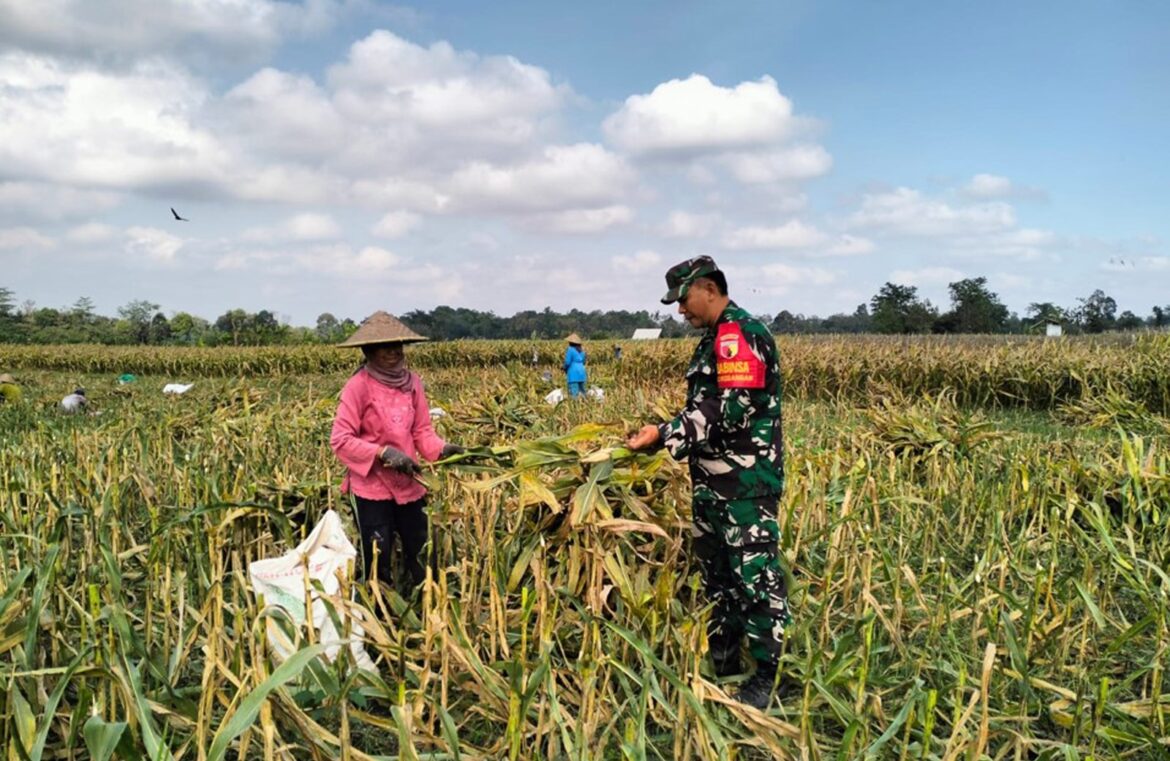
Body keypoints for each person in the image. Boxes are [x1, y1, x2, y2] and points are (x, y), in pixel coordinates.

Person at [626, 255, 791, 709]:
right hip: (713, 484)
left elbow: (730, 409)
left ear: (708, 288)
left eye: (683, 299)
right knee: (718, 575)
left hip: (745, 485)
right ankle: (724, 658)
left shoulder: (739, 335)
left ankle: (770, 676)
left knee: (754, 578)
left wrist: (664, 434)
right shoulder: (712, 340)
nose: (680, 310)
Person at [330, 311, 465, 592]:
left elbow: (422, 432)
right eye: (384, 346)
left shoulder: (412, 382)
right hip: (371, 488)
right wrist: (383, 454)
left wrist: (444, 450)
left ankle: (427, 605)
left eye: (397, 345)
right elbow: (340, 439)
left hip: (408, 483)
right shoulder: (358, 387)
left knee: (421, 550)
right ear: (368, 351)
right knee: (377, 554)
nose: (393, 351)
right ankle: (379, 614)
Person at [563, 333, 587, 397]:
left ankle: (574, 405)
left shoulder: (570, 350)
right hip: (582, 371)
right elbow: (584, 362)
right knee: (583, 391)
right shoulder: (582, 351)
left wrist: (564, 368)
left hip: (573, 372)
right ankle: (585, 404)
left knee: (574, 391)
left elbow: (567, 362)